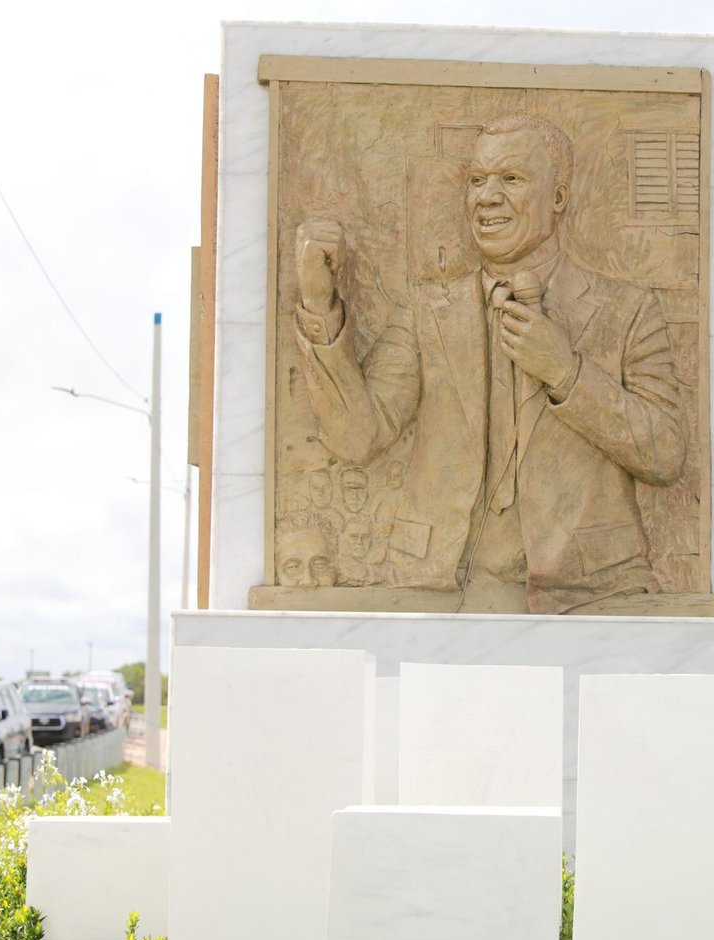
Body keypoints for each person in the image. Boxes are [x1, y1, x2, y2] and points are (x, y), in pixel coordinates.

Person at [292, 111, 686, 612]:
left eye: (512, 179)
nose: (487, 197)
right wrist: (319, 307)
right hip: (439, 583)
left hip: (590, 589)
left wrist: (567, 373)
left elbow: (668, 455)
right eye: (477, 180)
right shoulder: (426, 312)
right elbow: (355, 438)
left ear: (559, 197)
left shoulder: (627, 310)